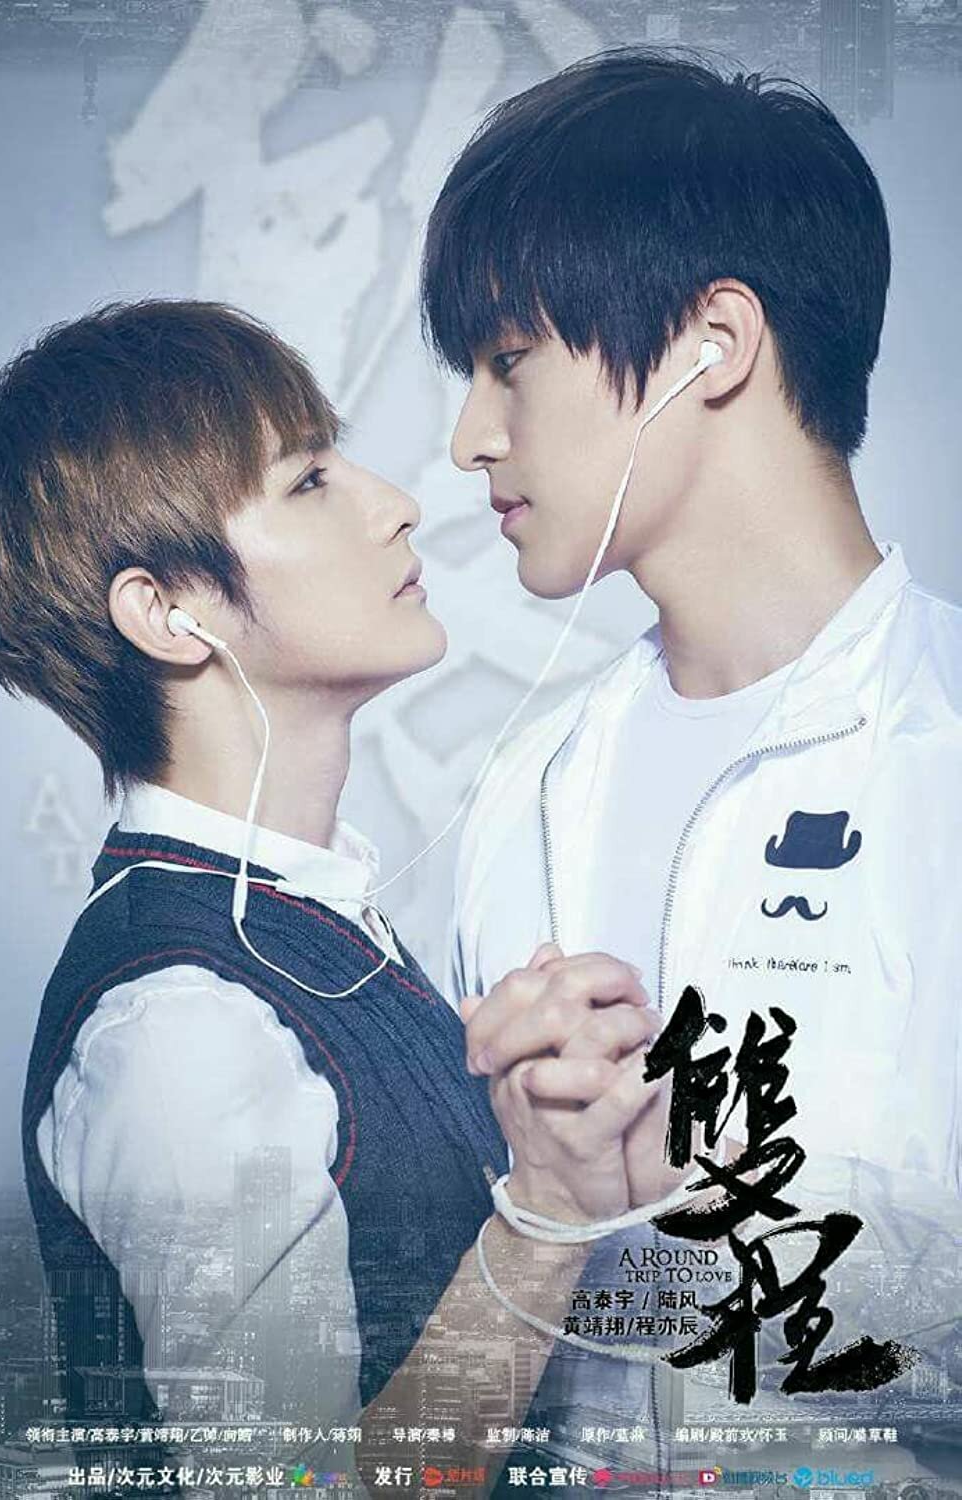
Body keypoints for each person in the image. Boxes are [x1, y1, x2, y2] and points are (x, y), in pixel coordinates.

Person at [0, 300, 676, 1496]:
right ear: (168, 613)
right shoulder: (177, 1022)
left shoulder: (301, 922)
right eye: (307, 483)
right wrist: (545, 1210)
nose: (396, 503)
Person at [422, 48, 962, 1486]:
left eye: (508, 360)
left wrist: (684, 1196)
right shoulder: (527, 785)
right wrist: (551, 1207)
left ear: (711, 344)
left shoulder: (945, 745)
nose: (469, 438)